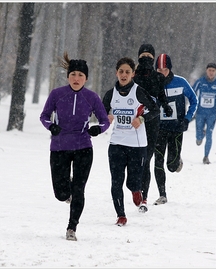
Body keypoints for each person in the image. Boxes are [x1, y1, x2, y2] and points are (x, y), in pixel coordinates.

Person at [40, 52, 110, 241]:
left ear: (86, 78)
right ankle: (66, 191)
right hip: (59, 147)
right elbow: (44, 116)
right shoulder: (57, 94)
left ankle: (72, 227)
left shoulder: (92, 97)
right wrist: (51, 126)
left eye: (80, 75)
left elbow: (105, 122)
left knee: (79, 189)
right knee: (61, 193)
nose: (76, 78)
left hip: (83, 147)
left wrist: (97, 130)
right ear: (68, 76)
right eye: (73, 74)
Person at [102, 57, 160, 226]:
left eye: (127, 72)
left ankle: (136, 190)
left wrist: (141, 118)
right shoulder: (110, 94)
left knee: (132, 181)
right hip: (117, 144)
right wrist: (107, 117)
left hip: (137, 145)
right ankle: (121, 215)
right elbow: (101, 113)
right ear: (116, 73)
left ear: (133, 74)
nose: (124, 75)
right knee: (116, 181)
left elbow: (155, 110)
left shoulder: (139, 92)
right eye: (121, 71)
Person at [153, 53, 198, 205]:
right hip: (158, 129)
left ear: (170, 69)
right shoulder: (152, 84)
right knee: (157, 160)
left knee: (171, 166)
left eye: (164, 69)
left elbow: (194, 101)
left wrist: (187, 119)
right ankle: (162, 194)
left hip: (176, 128)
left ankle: (176, 161)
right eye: (158, 70)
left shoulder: (181, 82)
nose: (161, 72)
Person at [133, 44, 173, 211]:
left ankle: (144, 196)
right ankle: (135, 188)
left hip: (152, 122)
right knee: (136, 161)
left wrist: (167, 106)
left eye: (149, 56)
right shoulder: (133, 77)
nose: (146, 58)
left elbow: (162, 96)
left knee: (146, 160)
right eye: (143, 55)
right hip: (135, 122)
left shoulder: (158, 78)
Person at [192, 63, 216, 164]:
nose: (211, 73)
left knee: (210, 134)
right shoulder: (200, 81)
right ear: (206, 71)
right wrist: (191, 102)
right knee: (198, 136)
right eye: (209, 70)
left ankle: (206, 156)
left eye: (213, 71)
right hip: (200, 112)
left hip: (212, 113)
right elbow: (192, 91)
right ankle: (200, 136)